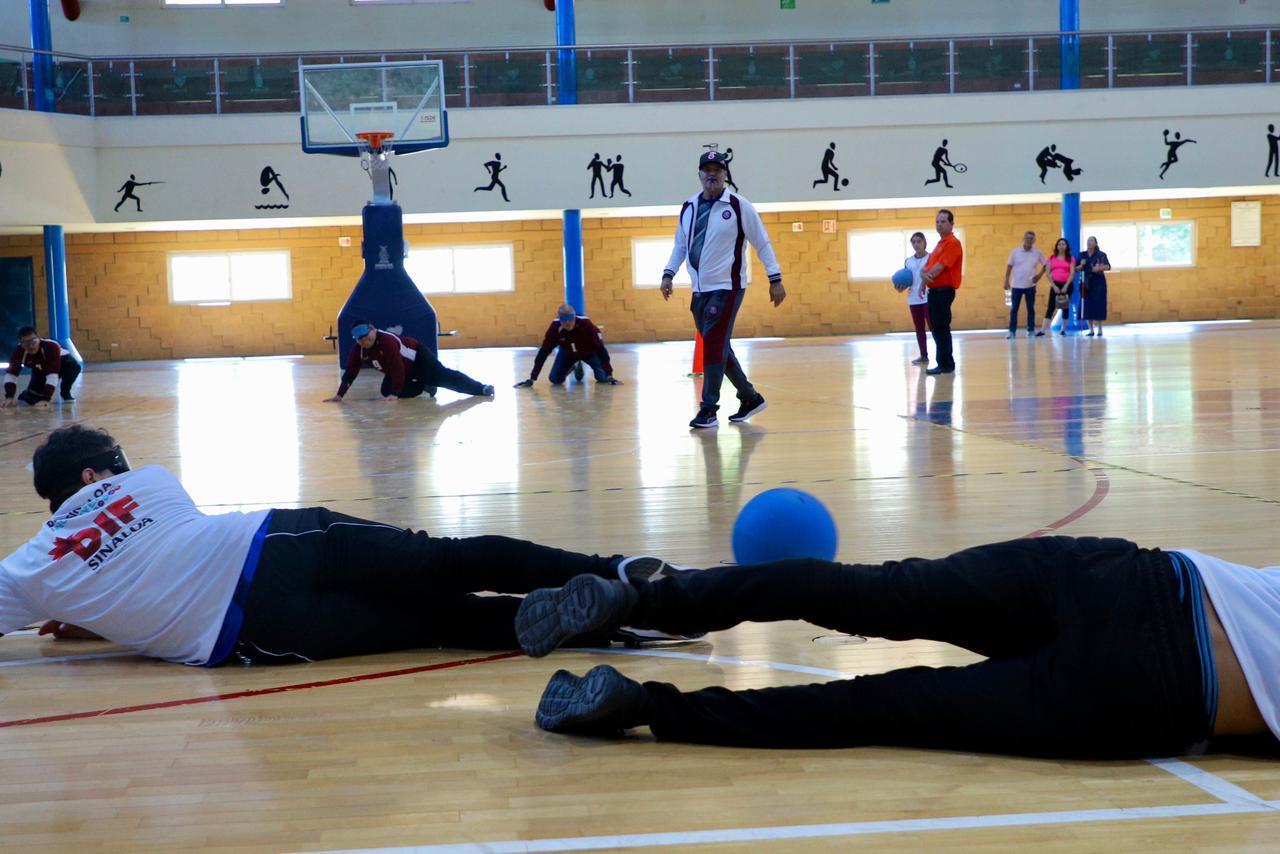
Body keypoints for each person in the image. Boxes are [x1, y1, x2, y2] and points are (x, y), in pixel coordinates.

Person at [516, 538, 1278, 759]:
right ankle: (643, 708)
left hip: (1141, 584)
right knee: (880, 706)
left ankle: (645, 600)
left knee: (865, 590)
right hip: (1149, 690)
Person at [0, 425, 682, 665]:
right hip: (280, 541)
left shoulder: (32, 572)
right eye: (110, 464)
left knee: (438, 623)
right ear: (94, 477)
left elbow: (142, 584)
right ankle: (614, 572)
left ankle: (610, 626)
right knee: (446, 561)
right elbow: (163, 556)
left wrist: (86, 614)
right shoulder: (148, 484)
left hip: (247, 631)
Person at [661, 150, 785, 429]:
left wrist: (775, 278)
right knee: (718, 347)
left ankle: (708, 409)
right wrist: (668, 273)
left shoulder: (739, 206)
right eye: (707, 169)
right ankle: (750, 398)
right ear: (700, 175)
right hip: (699, 290)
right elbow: (681, 245)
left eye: (718, 169)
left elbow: (761, 242)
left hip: (727, 287)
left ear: (725, 174)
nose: (712, 174)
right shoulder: (689, 207)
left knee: (713, 346)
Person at [323, 321, 493, 404]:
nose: (364, 340)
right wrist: (340, 395)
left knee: (444, 377)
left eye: (366, 335)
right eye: (359, 339)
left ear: (373, 329)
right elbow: (351, 371)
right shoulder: (358, 350)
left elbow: (397, 366)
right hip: (400, 370)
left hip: (419, 359)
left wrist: (396, 394)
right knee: (385, 391)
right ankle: (424, 387)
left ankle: (481, 388)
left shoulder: (387, 341)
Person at [515, 305, 621, 387]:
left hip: (589, 352)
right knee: (555, 379)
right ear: (560, 319)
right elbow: (543, 352)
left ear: (575, 317)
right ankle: (572, 367)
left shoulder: (586, 325)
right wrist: (533, 378)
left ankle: (597, 371)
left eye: (570, 319)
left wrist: (609, 374)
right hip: (568, 353)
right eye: (564, 320)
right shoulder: (554, 329)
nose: (568, 323)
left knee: (603, 378)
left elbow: (601, 349)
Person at [921, 209, 962, 375]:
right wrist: (924, 276)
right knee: (936, 327)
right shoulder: (939, 245)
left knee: (941, 327)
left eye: (943, 221)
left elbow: (938, 268)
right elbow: (926, 268)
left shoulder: (952, 243)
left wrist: (927, 276)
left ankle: (945, 363)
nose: (939, 224)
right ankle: (944, 362)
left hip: (944, 291)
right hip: (934, 291)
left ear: (951, 224)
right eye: (937, 221)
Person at [2, 326, 82, 408]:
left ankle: (65, 392)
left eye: (33, 342)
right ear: (21, 343)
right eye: (26, 344)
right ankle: (28, 393)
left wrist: (46, 399)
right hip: (40, 369)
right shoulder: (18, 351)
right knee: (31, 399)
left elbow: (52, 375)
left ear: (38, 338)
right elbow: (11, 374)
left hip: (62, 364)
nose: (31, 347)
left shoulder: (51, 346)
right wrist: (9, 397)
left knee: (73, 366)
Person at [1004, 231, 1047, 339]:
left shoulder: (1037, 252)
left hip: (1030, 286)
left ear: (1034, 240)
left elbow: (1046, 264)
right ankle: (1012, 331)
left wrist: (1039, 275)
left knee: (1031, 309)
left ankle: (1031, 330)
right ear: (1023, 239)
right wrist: (1006, 280)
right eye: (1027, 238)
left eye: (1031, 238)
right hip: (1016, 285)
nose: (1029, 240)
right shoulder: (1015, 252)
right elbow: (1009, 266)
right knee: (1014, 309)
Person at [902, 232, 930, 365]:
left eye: (919, 241)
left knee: (933, 326)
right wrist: (899, 286)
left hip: (928, 297)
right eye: (913, 242)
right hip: (913, 298)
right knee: (919, 327)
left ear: (924, 242)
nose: (916, 244)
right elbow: (906, 281)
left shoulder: (931, 258)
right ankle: (923, 355)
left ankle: (941, 356)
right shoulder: (908, 261)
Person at [1038, 238, 1075, 337]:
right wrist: (1053, 285)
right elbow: (1048, 273)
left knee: (1065, 307)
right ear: (1057, 246)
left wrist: (1066, 286)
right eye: (1059, 244)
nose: (1061, 246)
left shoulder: (1070, 258)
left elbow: (1072, 273)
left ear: (1066, 246)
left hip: (1067, 285)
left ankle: (1063, 330)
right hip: (1055, 285)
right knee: (1051, 307)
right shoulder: (1052, 258)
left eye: (1063, 244)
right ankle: (1042, 330)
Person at [1077, 236, 1112, 337]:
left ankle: (1100, 329)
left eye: (1091, 241)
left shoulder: (1101, 255)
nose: (1089, 242)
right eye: (1088, 241)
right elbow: (1076, 269)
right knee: (1087, 305)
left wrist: (1100, 268)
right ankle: (1091, 329)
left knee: (1099, 304)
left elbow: (1108, 266)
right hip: (1086, 282)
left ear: (1096, 243)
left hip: (1098, 282)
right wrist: (1081, 265)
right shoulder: (1082, 255)